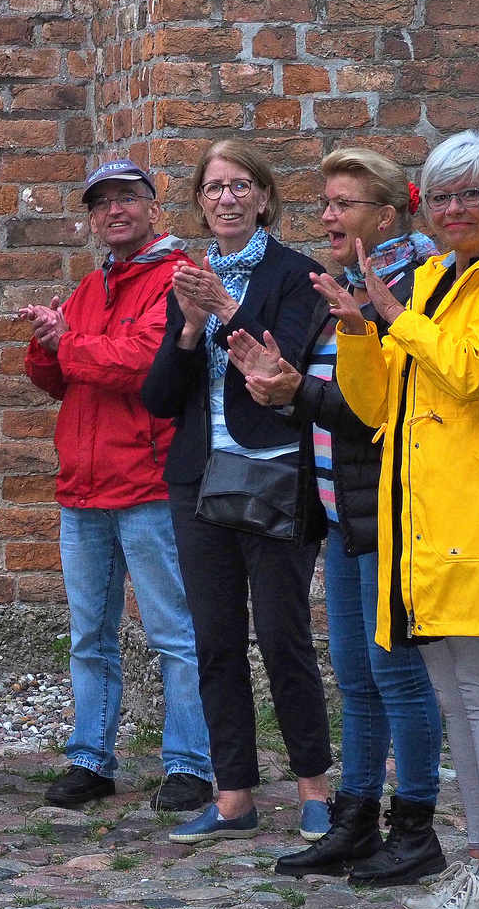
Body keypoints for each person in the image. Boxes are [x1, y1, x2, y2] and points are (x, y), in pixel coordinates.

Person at [324, 131, 479, 909]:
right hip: (430, 527)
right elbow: (381, 405)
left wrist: (393, 312)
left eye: (471, 194)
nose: (455, 210)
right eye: (442, 196)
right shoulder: (440, 284)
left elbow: (474, 366)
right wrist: (357, 329)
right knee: (459, 698)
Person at [228, 147, 444, 887]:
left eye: (342, 204)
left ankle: (415, 828)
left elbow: (380, 412)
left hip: (390, 514)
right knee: (354, 675)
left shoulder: (412, 291)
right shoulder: (343, 287)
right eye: (323, 202)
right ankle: (356, 819)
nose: (324, 215)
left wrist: (296, 393)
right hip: (339, 513)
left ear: (384, 216)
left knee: (399, 677)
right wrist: (275, 378)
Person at [139, 137, 333, 845]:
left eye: (240, 185)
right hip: (199, 481)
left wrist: (222, 306)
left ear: (263, 197)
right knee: (216, 641)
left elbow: (273, 371)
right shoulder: (188, 282)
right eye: (213, 187)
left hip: (277, 478)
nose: (226, 198)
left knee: (284, 639)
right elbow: (159, 399)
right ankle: (233, 796)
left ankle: (315, 789)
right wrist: (189, 328)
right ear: (199, 200)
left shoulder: (294, 276)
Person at [20, 159, 213, 813]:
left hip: (146, 484)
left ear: (153, 208)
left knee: (172, 632)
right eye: (103, 203)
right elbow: (62, 380)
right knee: (89, 636)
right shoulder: (89, 287)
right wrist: (48, 345)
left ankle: (190, 764)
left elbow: (146, 363)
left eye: (128, 198)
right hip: (84, 488)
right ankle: (91, 760)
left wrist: (69, 343)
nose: (115, 211)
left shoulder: (176, 279)